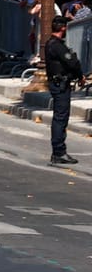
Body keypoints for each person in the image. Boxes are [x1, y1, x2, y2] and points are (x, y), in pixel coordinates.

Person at [43, 17, 82, 165]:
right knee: (61, 118)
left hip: (57, 83)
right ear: (63, 28)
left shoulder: (50, 44)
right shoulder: (57, 46)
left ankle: (58, 151)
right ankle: (59, 152)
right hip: (61, 85)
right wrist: (80, 75)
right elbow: (72, 62)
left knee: (59, 118)